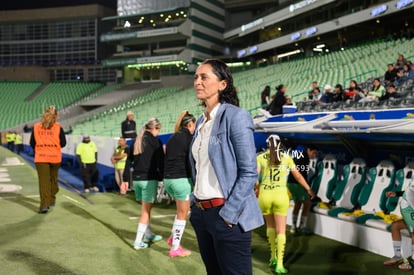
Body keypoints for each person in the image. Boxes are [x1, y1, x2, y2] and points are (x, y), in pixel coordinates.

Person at [189, 59, 264, 275]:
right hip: (202, 215)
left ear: (222, 84)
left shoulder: (236, 116)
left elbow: (249, 171)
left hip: (227, 214)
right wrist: (195, 205)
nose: (197, 82)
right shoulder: (202, 122)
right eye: (196, 77)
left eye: (204, 77)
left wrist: (229, 213)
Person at [256, 135, 315, 274]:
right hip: (281, 196)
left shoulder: (260, 158)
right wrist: (309, 189)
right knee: (281, 231)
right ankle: (280, 264)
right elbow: (298, 176)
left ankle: (272, 257)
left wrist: (257, 187)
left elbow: (254, 176)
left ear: (267, 144)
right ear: (279, 144)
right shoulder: (287, 158)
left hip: (265, 196)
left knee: (270, 227)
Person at [164, 110, 196, 257]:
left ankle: (172, 239)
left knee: (180, 212)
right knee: (183, 213)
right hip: (181, 180)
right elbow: (192, 161)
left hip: (168, 180)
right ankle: (175, 248)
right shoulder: (190, 139)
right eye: (194, 125)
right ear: (190, 124)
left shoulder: (171, 138)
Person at [129, 118, 164, 250]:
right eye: (158, 130)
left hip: (137, 180)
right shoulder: (155, 142)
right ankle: (138, 242)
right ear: (155, 128)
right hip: (148, 179)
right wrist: (162, 177)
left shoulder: (137, 140)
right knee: (145, 211)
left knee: (145, 209)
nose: (158, 133)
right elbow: (161, 162)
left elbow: (130, 160)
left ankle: (148, 234)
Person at [29, 106, 66, 213]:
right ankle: (50, 198)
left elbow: (32, 143)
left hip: (41, 157)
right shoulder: (59, 127)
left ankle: (45, 203)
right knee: (53, 179)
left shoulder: (36, 127)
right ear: (56, 116)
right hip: (55, 157)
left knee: (44, 181)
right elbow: (63, 143)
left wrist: (41, 147)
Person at [287, 145, 318, 234]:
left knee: (298, 203)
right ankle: (302, 227)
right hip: (297, 184)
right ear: (308, 150)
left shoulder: (300, 156)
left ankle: (293, 227)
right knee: (307, 203)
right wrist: (308, 189)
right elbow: (300, 175)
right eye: (313, 153)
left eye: (316, 154)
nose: (314, 155)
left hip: (291, 183)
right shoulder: (304, 159)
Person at [383, 180, 414, 271]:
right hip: (409, 212)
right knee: (395, 226)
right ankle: (397, 256)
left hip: (411, 211)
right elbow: (410, 191)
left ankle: (412, 262)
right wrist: (396, 194)